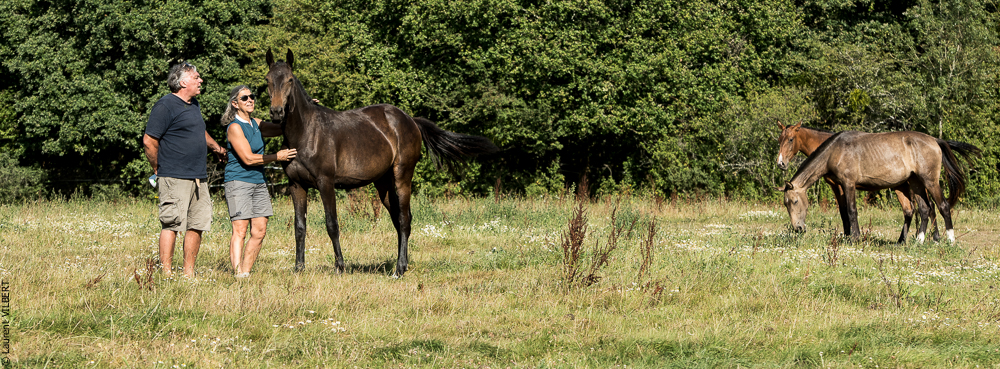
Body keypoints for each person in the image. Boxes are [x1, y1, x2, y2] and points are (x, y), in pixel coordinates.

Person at [142, 62, 227, 278]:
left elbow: (200, 131)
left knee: (197, 224)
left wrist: (217, 148)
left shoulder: (194, 104)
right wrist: (157, 167)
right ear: (182, 82)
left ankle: (189, 274)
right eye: (196, 77)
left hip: (198, 176)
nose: (201, 80)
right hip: (173, 175)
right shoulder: (165, 105)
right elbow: (149, 141)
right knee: (172, 224)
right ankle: (167, 274)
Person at [221, 85, 297, 278]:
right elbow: (248, 158)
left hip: (259, 181)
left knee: (260, 230)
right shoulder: (235, 127)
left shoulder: (256, 123)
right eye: (244, 98)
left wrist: (302, 108)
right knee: (240, 230)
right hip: (238, 181)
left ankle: (245, 273)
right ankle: (237, 273)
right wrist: (277, 156)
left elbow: (281, 128)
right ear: (235, 103)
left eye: (251, 96)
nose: (250, 100)